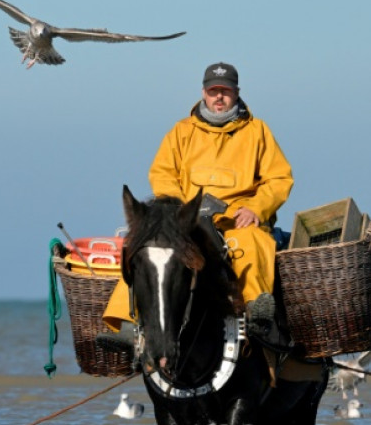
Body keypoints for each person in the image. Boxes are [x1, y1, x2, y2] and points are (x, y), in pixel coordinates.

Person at [98, 62, 293, 351]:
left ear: (236, 93)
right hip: (187, 220)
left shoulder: (257, 131)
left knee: (250, 243)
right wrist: (181, 210)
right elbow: (162, 173)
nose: (219, 97)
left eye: (225, 91)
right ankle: (128, 323)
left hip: (236, 219)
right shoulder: (181, 131)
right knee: (144, 249)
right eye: (214, 91)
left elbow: (278, 178)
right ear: (203, 92)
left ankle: (255, 315)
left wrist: (256, 208)